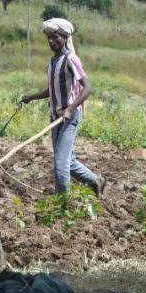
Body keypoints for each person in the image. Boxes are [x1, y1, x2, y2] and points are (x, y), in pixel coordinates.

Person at [20, 17, 105, 196]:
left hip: (70, 116)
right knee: (69, 161)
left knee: (60, 163)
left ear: (65, 37)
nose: (51, 41)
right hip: (55, 117)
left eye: (56, 37)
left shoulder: (71, 59)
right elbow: (52, 91)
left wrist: (71, 108)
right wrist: (31, 97)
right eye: (49, 38)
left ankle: (62, 203)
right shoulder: (52, 62)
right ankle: (96, 180)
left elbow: (88, 88)